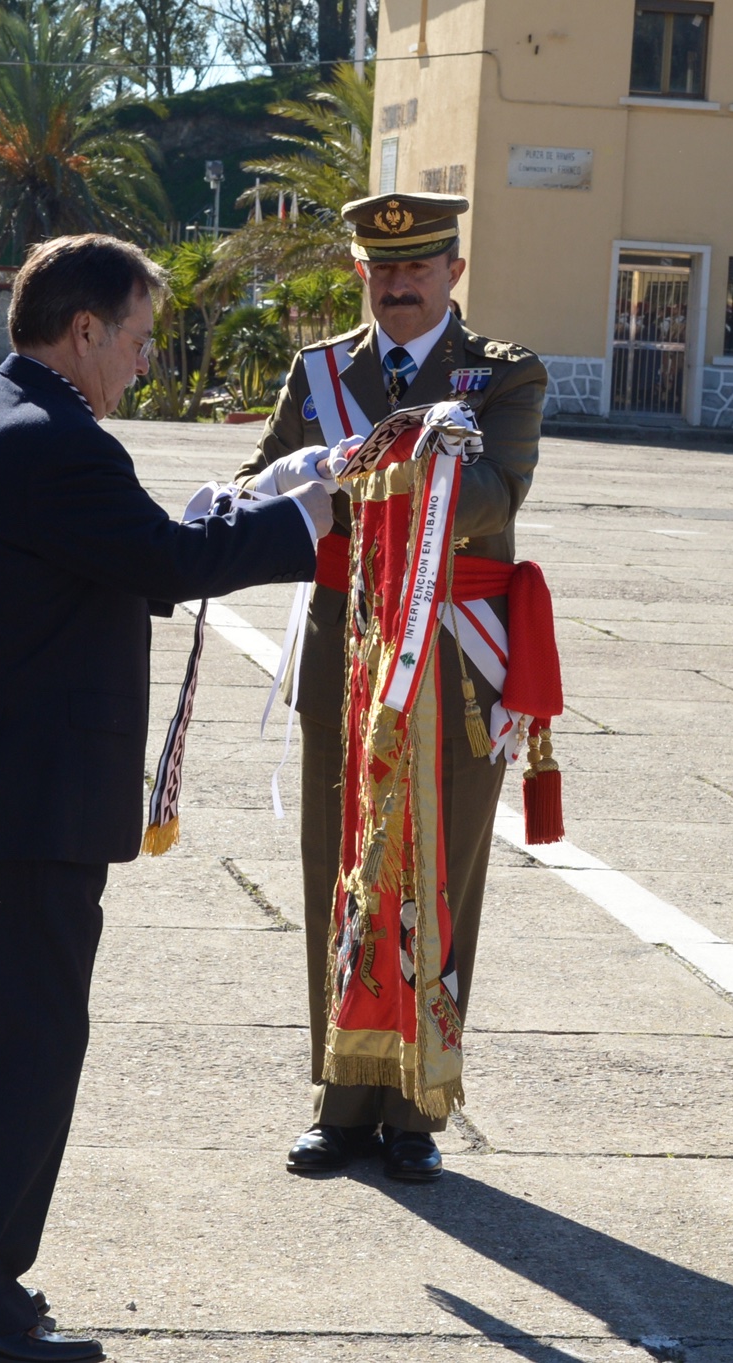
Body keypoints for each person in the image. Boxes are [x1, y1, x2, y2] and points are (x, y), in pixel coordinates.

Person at [0, 235, 327, 1363]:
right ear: (83, 330)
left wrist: (256, 503)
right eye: (133, 336)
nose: (142, 359)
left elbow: (132, 549)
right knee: (15, 1069)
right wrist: (318, 522)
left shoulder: (12, 419)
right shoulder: (57, 446)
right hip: (20, 820)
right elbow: (171, 566)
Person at [236, 192, 548, 1181]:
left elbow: (495, 497)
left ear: (454, 271)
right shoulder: (322, 372)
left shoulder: (503, 377)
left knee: (439, 880)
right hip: (345, 660)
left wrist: (361, 475)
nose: (398, 284)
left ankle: (416, 1108)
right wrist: (330, 472)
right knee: (340, 877)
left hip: (457, 663)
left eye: (417, 267)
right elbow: (263, 486)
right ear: (361, 275)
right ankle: (340, 1100)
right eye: (381, 269)